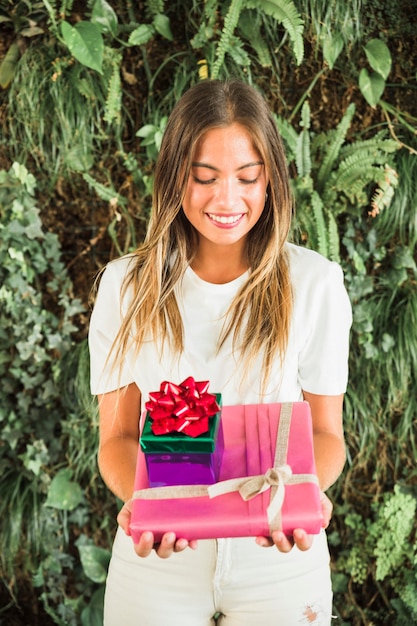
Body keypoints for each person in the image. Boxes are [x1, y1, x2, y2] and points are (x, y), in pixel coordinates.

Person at [88, 78, 352, 626]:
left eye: (247, 178)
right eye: (204, 178)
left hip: (280, 560)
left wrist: (301, 494)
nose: (227, 199)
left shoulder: (315, 283)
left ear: (271, 180)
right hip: (157, 564)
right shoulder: (124, 287)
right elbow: (115, 439)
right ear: (173, 178)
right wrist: (145, 503)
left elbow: (327, 435)